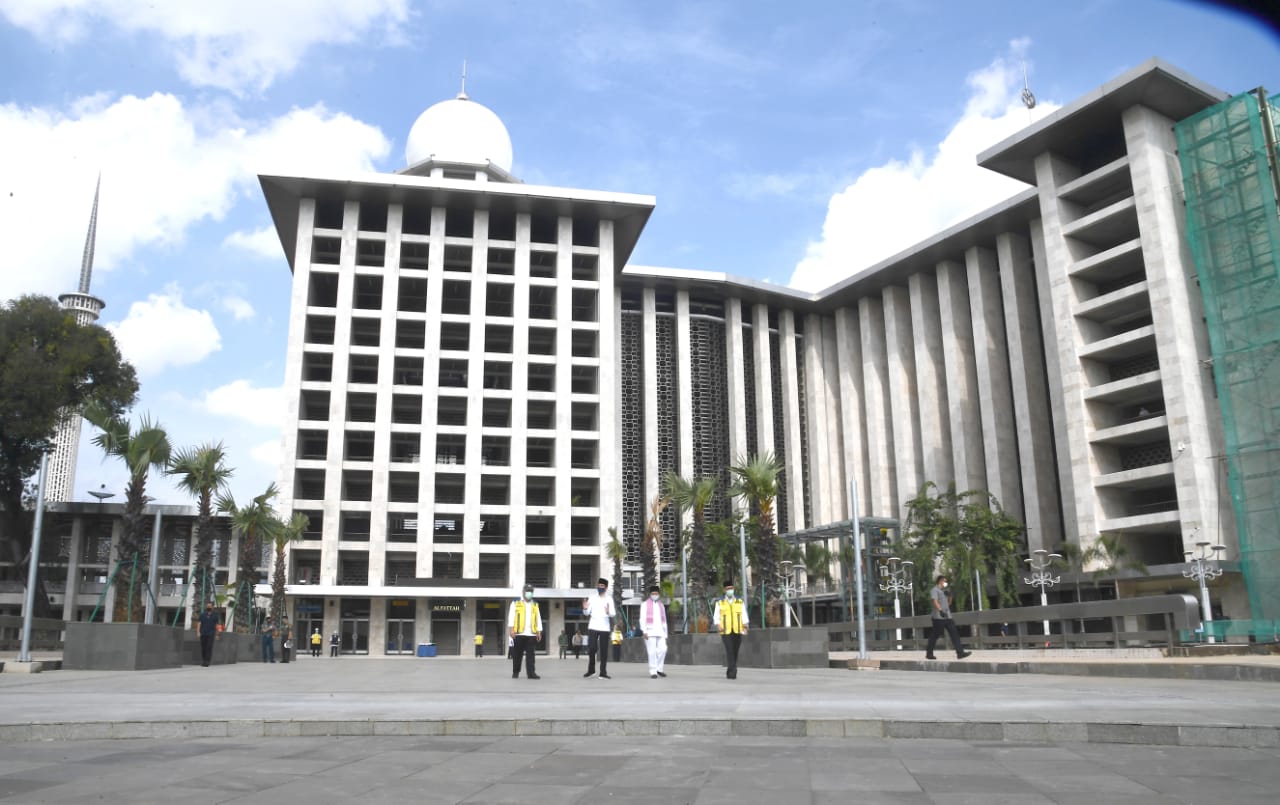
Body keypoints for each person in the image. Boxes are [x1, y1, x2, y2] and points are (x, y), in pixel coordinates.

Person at [926, 575, 972, 660]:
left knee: (954, 634)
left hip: (948, 617)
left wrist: (950, 596)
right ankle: (929, 654)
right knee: (935, 636)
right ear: (940, 581)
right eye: (945, 581)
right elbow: (935, 601)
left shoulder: (944, 591)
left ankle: (960, 653)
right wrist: (940, 610)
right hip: (938, 617)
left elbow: (949, 604)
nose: (946, 583)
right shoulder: (934, 590)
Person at [582, 577, 616, 679]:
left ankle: (603, 672)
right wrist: (584, 608)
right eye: (599, 585)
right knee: (592, 648)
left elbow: (613, 614)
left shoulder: (609, 599)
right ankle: (591, 670)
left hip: (604, 628)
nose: (600, 587)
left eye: (602, 586)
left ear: (606, 587)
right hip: (593, 626)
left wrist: (608, 612)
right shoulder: (592, 598)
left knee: (604, 651)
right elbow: (587, 613)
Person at [713, 581, 748, 679]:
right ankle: (733, 671)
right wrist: (718, 625)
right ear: (724, 590)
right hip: (725, 630)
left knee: (735, 650)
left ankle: (730, 669)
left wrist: (745, 626)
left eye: (731, 588)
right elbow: (716, 616)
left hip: (737, 629)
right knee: (729, 650)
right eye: (728, 589)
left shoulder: (739, 601)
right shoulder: (720, 602)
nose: (730, 590)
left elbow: (743, 614)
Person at [507, 583, 542, 679]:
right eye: (528, 591)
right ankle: (516, 672)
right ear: (523, 592)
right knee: (517, 654)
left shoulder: (535, 604)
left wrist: (539, 631)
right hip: (519, 633)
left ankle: (531, 673)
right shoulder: (515, 602)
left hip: (531, 634)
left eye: (531, 592)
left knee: (531, 655)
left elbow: (538, 618)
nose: (529, 593)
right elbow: (511, 616)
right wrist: (511, 629)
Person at [640, 584, 668, 679]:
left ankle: (659, 669)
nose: (654, 595)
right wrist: (644, 631)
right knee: (651, 652)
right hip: (650, 631)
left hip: (660, 631)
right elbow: (642, 619)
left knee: (663, 649)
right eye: (653, 593)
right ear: (650, 594)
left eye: (656, 593)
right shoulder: (644, 605)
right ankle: (653, 671)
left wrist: (665, 633)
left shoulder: (661, 605)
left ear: (658, 594)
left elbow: (664, 620)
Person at [197, 602, 220, 667]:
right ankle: (204, 660)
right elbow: (199, 624)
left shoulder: (215, 616)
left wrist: (217, 634)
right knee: (203, 648)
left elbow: (217, 625)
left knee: (209, 647)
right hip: (203, 633)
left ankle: (207, 661)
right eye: (207, 606)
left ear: (212, 607)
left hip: (211, 634)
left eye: (210, 606)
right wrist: (198, 632)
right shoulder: (202, 615)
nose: (208, 607)